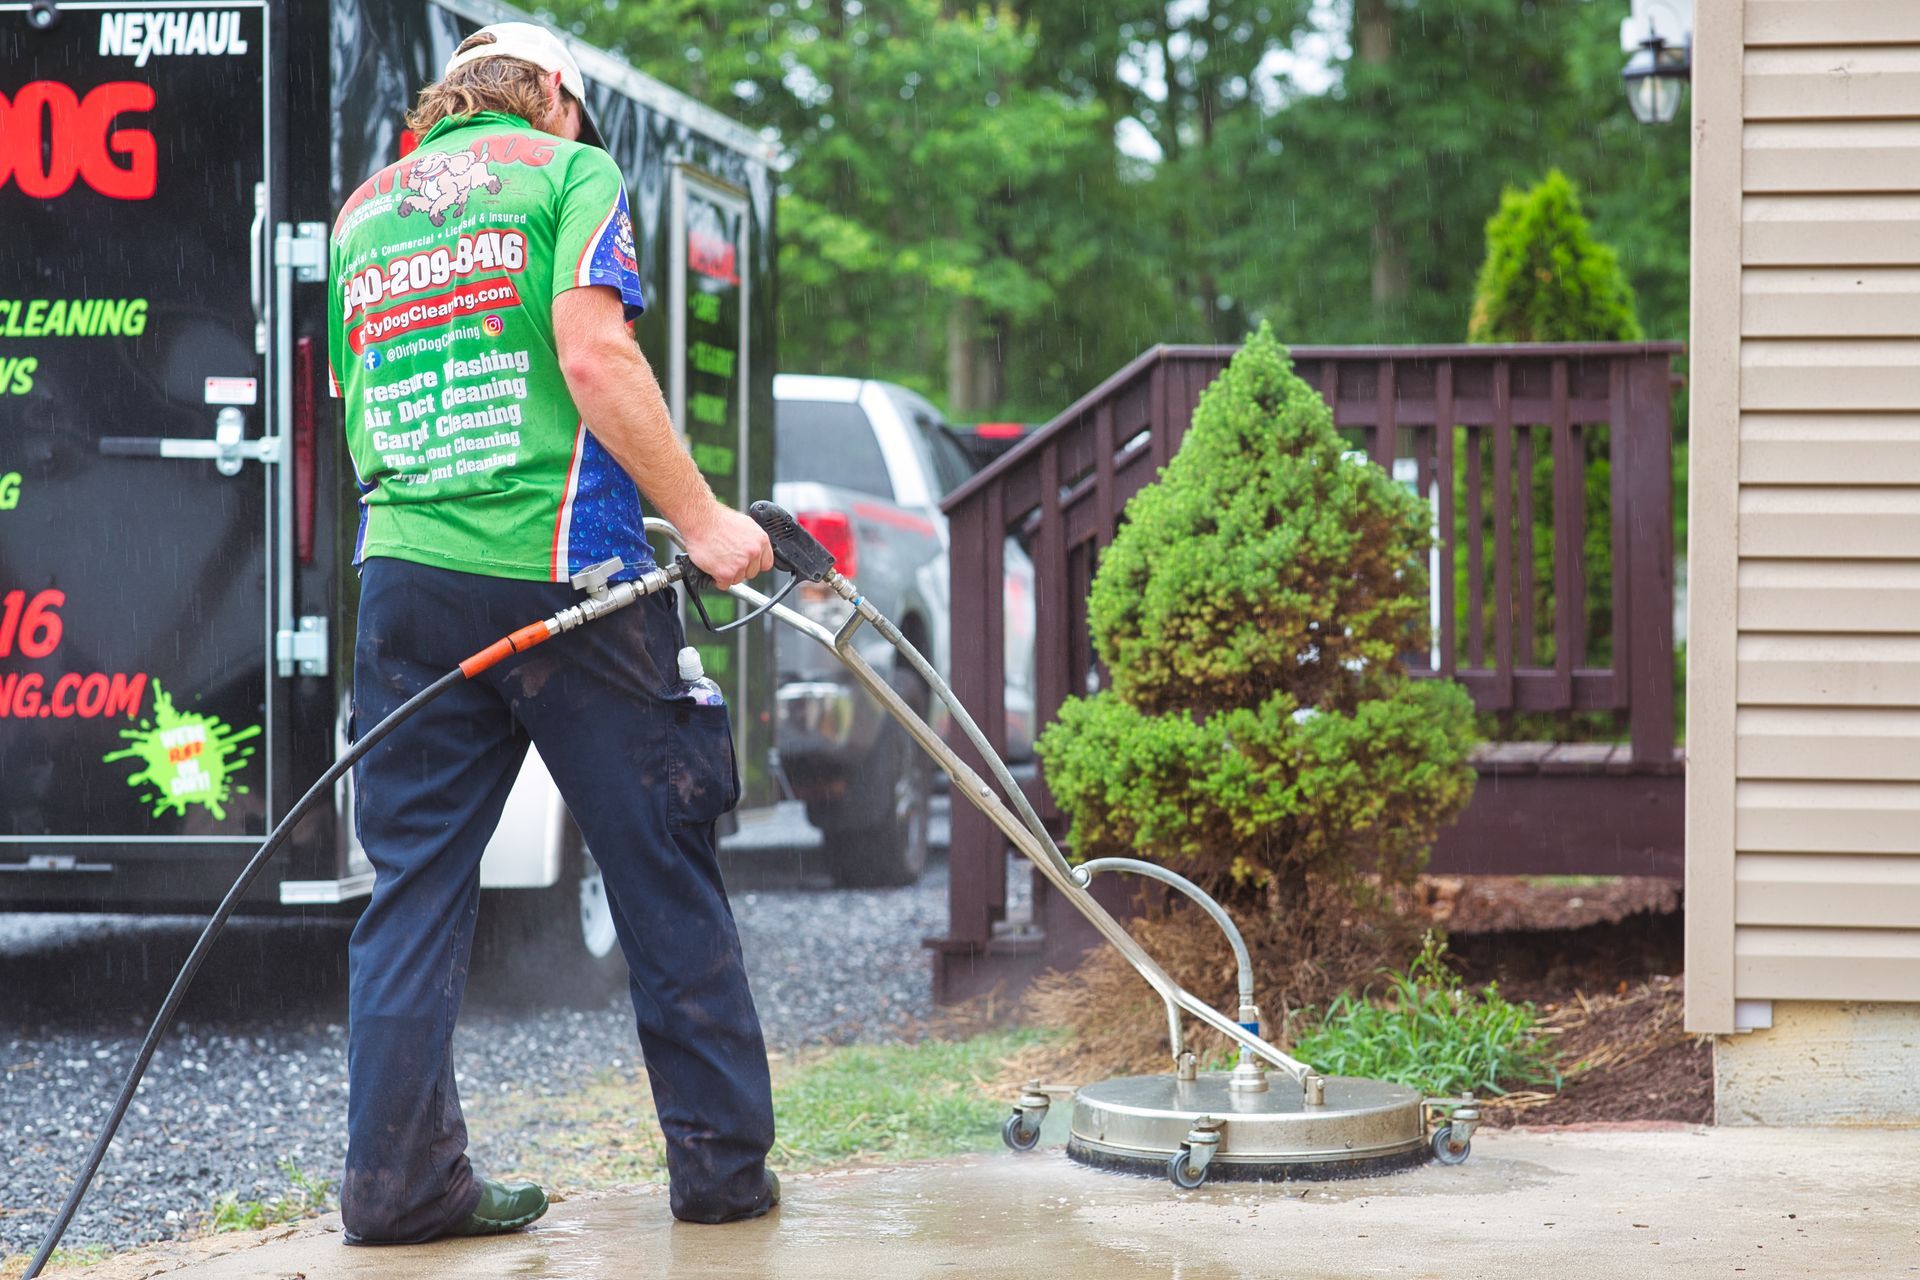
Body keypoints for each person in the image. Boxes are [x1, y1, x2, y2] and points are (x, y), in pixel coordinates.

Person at [326, 21, 778, 1243]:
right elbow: (592, 352)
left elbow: (356, 406)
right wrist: (706, 520)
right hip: (569, 577)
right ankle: (723, 1176)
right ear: (557, 100)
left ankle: (397, 1188)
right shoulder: (565, 169)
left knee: (412, 891)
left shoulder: (364, 211)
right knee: (659, 854)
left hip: (407, 583)